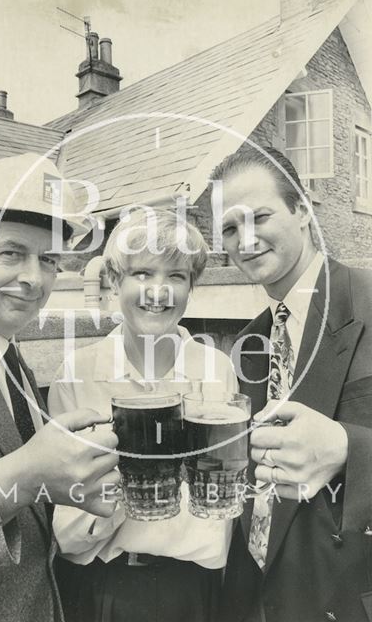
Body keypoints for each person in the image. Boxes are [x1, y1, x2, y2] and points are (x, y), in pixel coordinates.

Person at [0, 153, 119, 622]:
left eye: (49, 260)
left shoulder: (6, 355)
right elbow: (15, 478)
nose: (34, 279)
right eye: (12, 252)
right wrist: (28, 475)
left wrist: (61, 485)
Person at [48, 208, 238, 622]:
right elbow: (66, 532)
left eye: (176, 276)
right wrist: (135, 480)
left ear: (192, 288)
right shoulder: (79, 374)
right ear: (115, 281)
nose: (159, 291)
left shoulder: (217, 369)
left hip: (199, 592)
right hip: (112, 590)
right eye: (142, 274)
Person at [215, 145, 372, 622]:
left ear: (302, 209)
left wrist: (349, 448)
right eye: (228, 228)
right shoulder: (248, 345)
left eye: (259, 216)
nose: (245, 240)